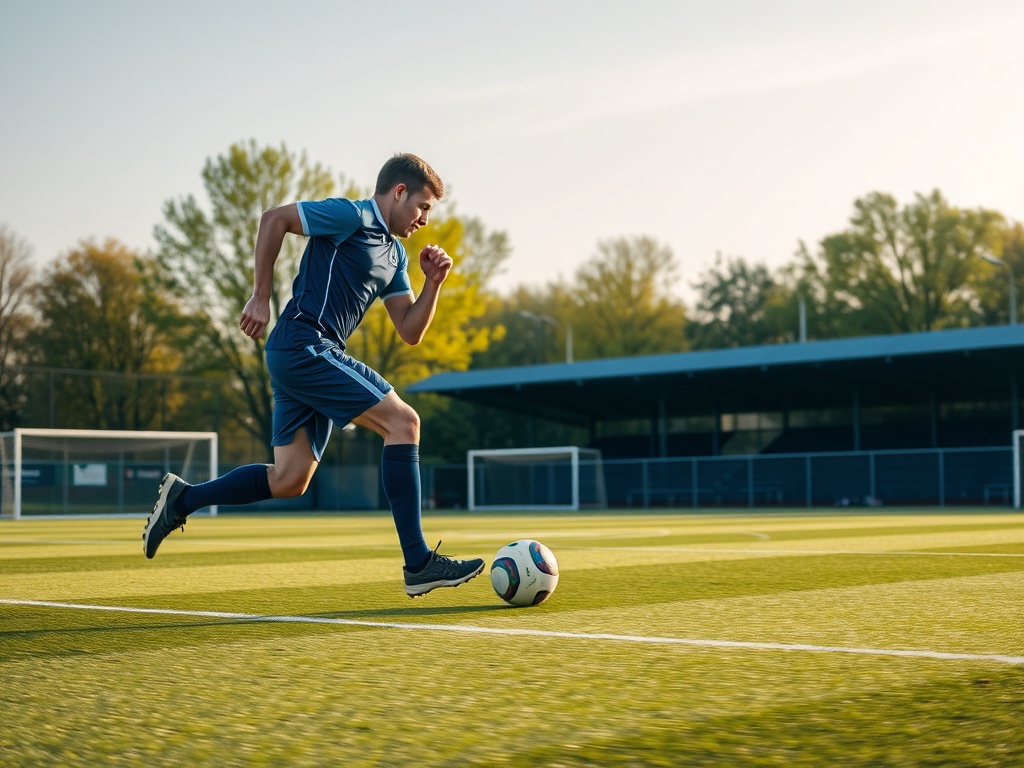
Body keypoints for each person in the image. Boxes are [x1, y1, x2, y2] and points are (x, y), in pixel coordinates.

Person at [142, 153, 485, 597]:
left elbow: (409, 331)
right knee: (404, 423)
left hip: (306, 354)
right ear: (399, 192)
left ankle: (183, 499)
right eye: (422, 207)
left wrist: (434, 284)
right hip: (304, 343)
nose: (424, 219)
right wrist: (259, 297)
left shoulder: (395, 253)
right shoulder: (351, 215)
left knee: (290, 479)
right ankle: (418, 562)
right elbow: (274, 219)